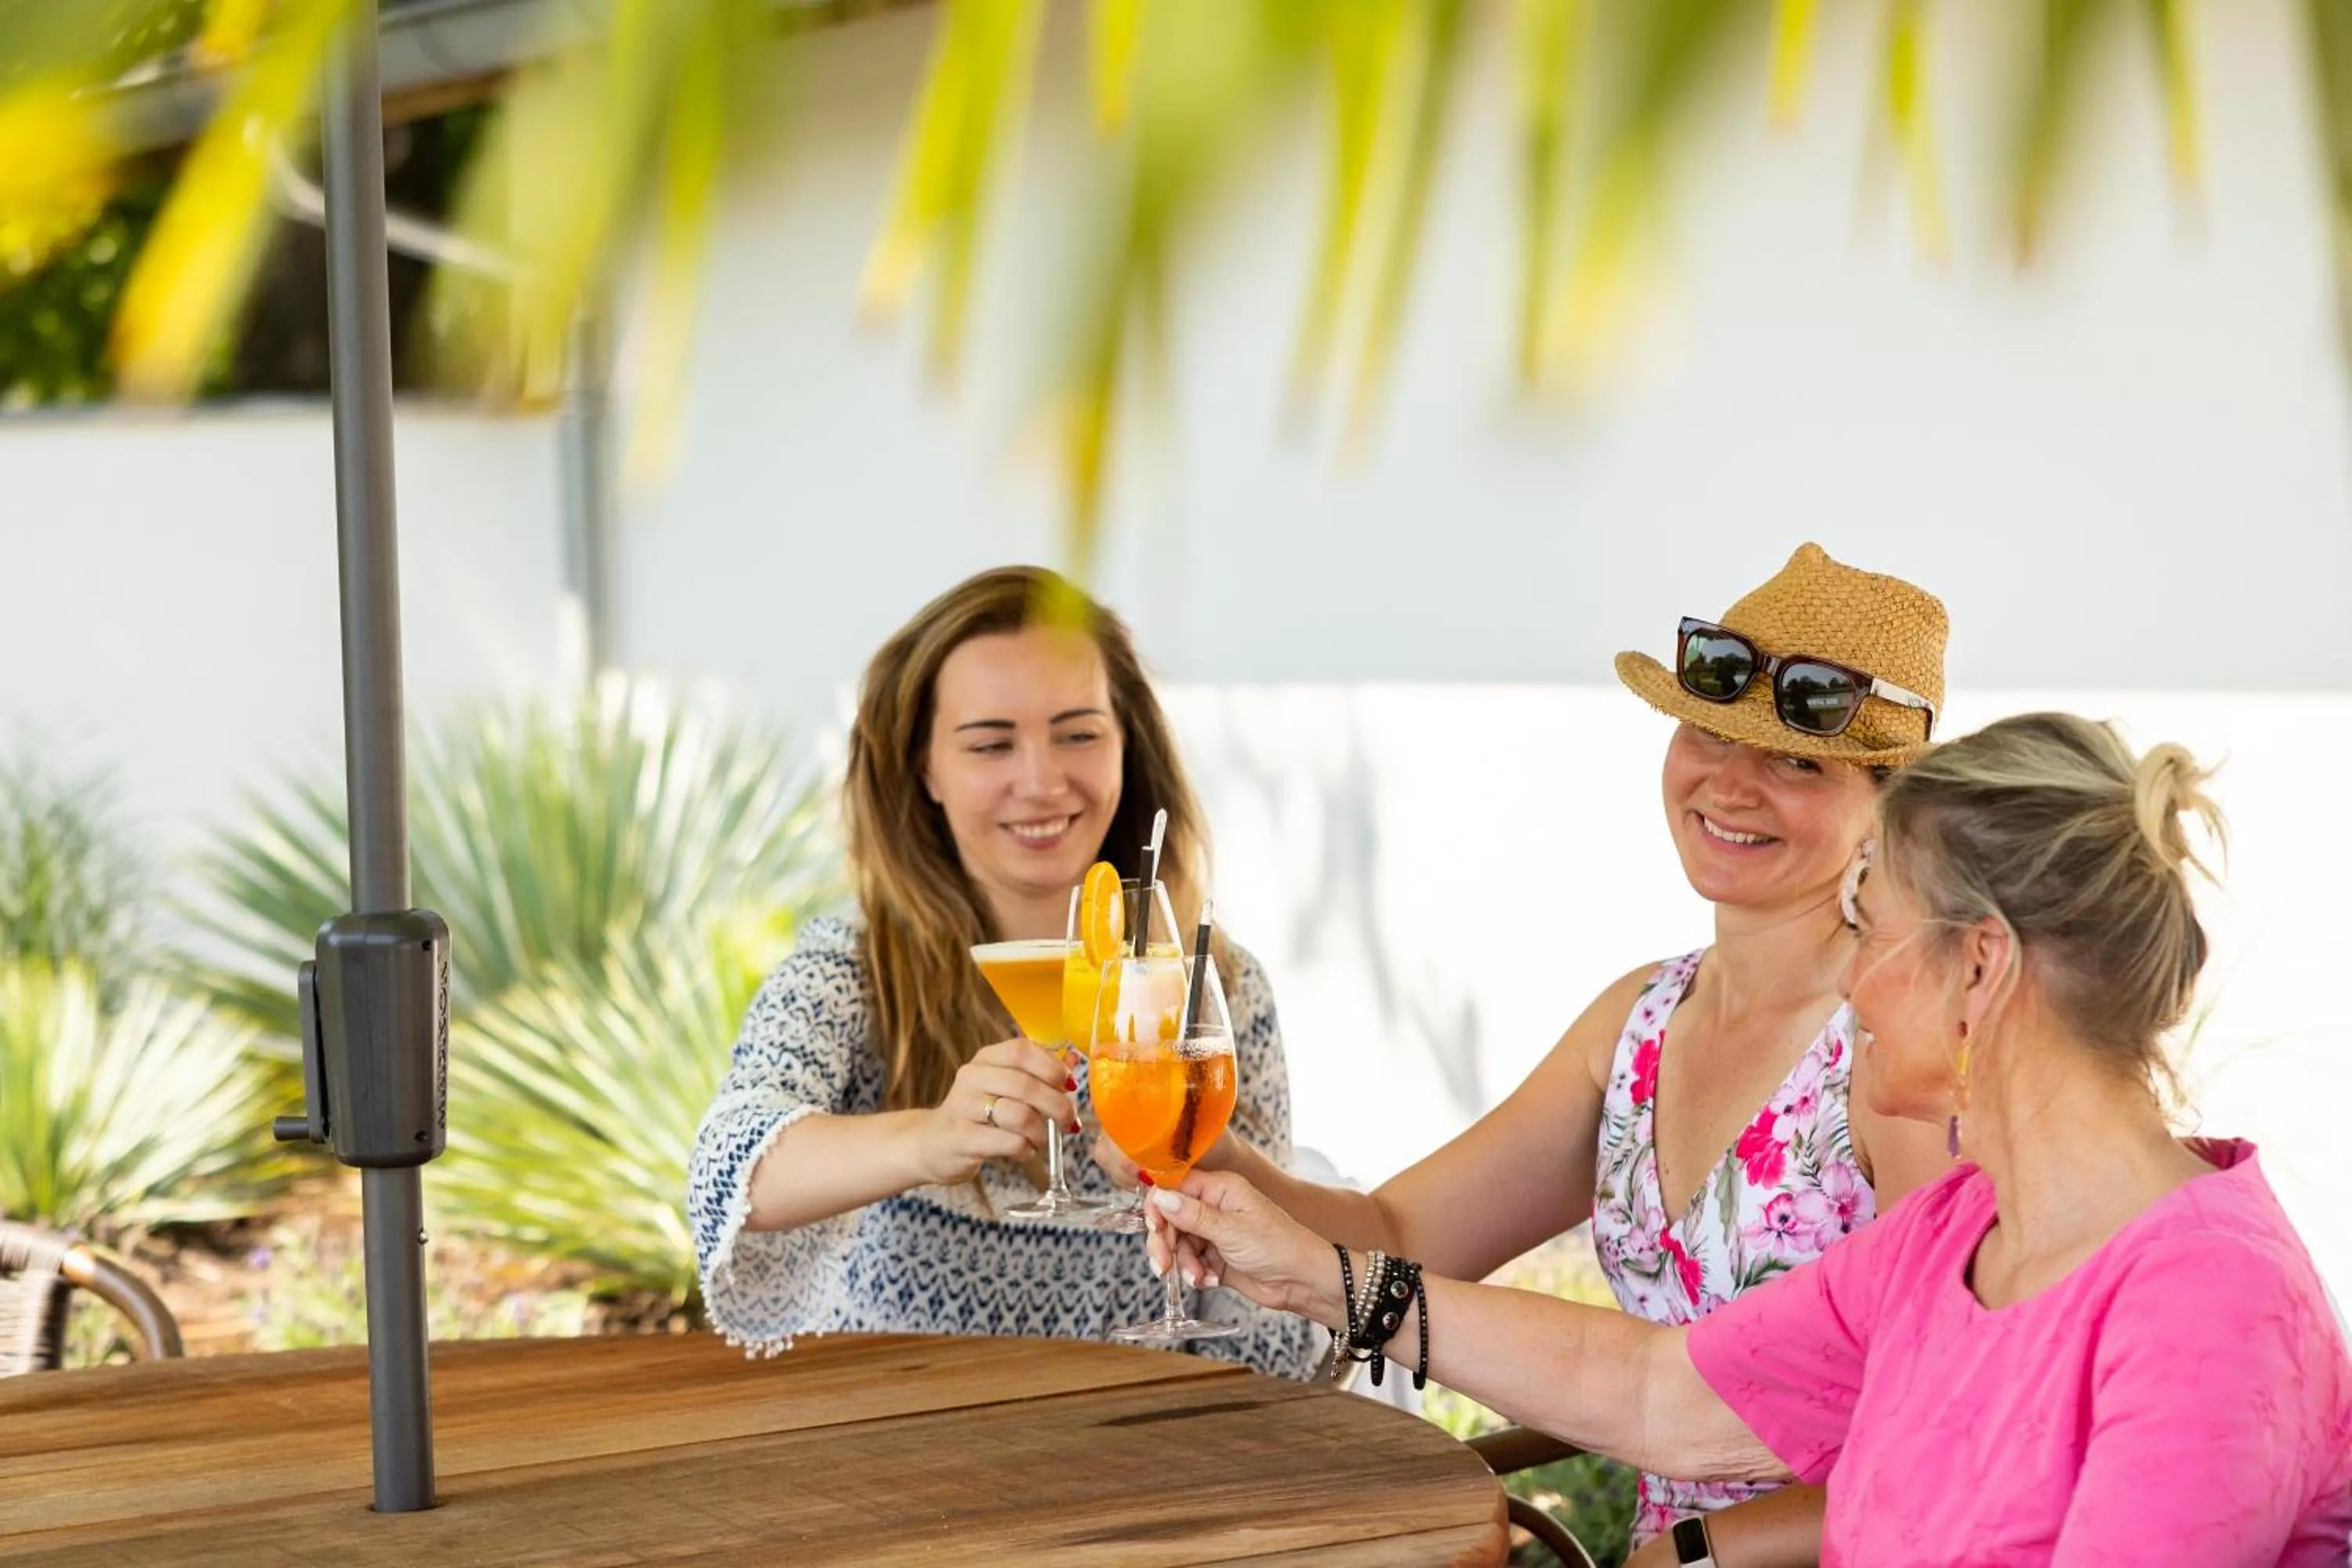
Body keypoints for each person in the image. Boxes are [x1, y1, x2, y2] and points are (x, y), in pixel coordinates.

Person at [1145, 711, 2352, 1565]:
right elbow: (1656, 1387)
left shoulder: (2205, 1306)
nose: (1852, 989)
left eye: (1866, 930)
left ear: (1978, 969)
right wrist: (1315, 1276)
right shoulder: (1956, 1236)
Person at [1099, 542, 1955, 1555]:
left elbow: (1948, 1431)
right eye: (1709, 734)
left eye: (1797, 761)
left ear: (1889, 802)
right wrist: (1210, 1159)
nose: (1730, 784)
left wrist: (1701, 1554)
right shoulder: (1641, 1019)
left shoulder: (1901, 1048)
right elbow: (1400, 1230)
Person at [687, 565, 1317, 1379]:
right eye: (990, 743)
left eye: (1079, 732)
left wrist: (1220, 1182)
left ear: (1128, 742)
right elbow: (730, 1166)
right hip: (898, 1446)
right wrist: (930, 1136)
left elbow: (1278, 1333)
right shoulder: (853, 966)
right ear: (926, 771)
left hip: (1143, 1447)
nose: (1042, 780)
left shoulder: (1209, 987)